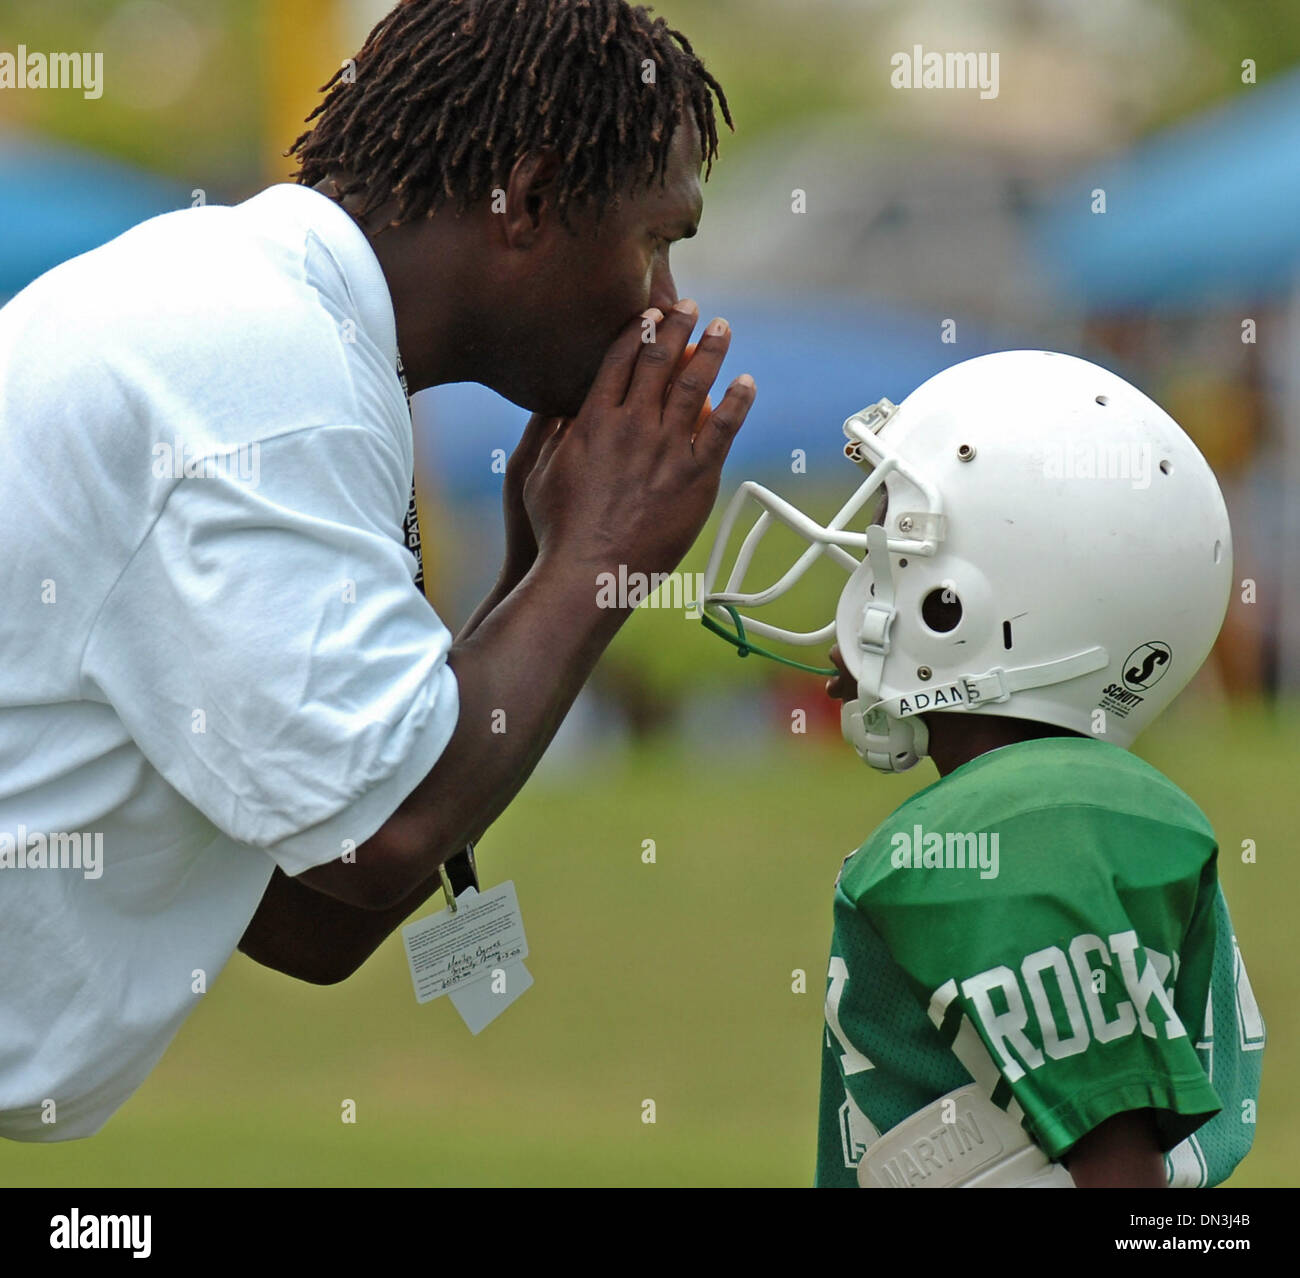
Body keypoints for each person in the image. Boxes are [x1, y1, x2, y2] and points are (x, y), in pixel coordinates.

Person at [0, 0, 753, 1141]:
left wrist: (536, 571)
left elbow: (311, 922)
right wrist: (604, 557)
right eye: (659, 239)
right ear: (533, 200)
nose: (666, 306)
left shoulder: (261, 315)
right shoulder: (262, 374)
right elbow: (382, 835)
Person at [700, 350, 1264, 1188]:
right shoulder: (1069, 807)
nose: (863, 574)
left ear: (971, 607)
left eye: (890, 551)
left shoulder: (1021, 829)